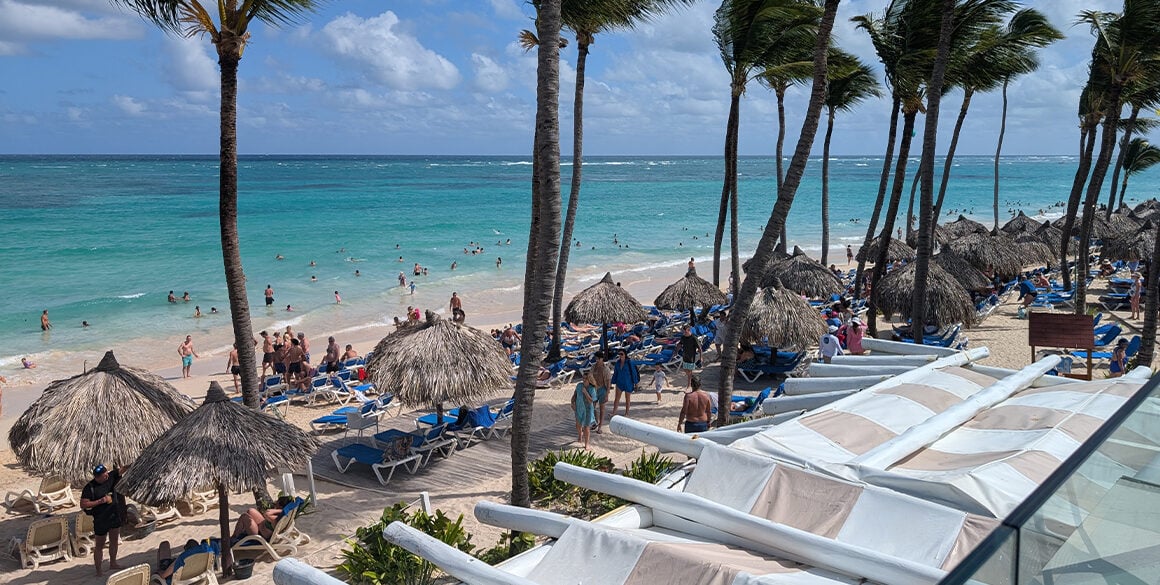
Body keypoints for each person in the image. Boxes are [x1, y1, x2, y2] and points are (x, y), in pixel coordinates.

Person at [81, 464, 128, 576]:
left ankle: (113, 563)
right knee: (99, 546)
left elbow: (122, 470)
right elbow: (83, 504)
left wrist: (132, 464)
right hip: (100, 519)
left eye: (107, 472)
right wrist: (100, 501)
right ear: (97, 477)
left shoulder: (110, 476)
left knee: (114, 541)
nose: (106, 475)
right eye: (104, 475)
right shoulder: (90, 487)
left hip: (113, 515)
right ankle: (98, 570)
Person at [610, 349, 640, 418]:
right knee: (617, 398)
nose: (620, 355)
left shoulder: (629, 362)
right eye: (619, 354)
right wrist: (612, 382)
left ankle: (627, 413)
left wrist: (636, 383)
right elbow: (615, 373)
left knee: (627, 398)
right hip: (619, 382)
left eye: (622, 354)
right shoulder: (618, 363)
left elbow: (634, 373)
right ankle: (614, 412)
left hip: (628, 383)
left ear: (625, 355)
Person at [572, 371, 597, 449]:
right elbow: (575, 394)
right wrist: (572, 402)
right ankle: (580, 435)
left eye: (586, 378)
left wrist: (585, 392)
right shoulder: (579, 385)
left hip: (587, 410)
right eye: (583, 378)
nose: (584, 380)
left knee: (586, 427)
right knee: (578, 424)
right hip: (579, 408)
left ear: (589, 379)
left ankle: (587, 444)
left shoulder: (592, 389)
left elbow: (591, 401)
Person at [591, 354, 611, 433]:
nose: (597, 360)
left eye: (598, 359)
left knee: (602, 409)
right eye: (596, 358)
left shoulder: (606, 369)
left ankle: (600, 426)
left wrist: (607, 394)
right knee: (592, 407)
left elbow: (608, 382)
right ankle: (596, 421)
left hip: (602, 389)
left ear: (601, 359)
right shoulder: (593, 367)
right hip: (594, 389)